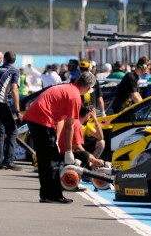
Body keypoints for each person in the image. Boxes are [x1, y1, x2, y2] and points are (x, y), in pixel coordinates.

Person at [22, 72, 96, 204]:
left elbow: (60, 120)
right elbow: (69, 127)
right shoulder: (75, 97)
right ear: (88, 88)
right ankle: (54, 195)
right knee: (53, 160)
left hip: (35, 118)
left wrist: (55, 139)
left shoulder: (67, 87)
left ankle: (46, 194)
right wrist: (68, 151)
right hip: (41, 119)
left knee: (45, 159)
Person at [58, 106, 105, 170]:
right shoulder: (76, 124)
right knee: (84, 154)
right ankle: (89, 165)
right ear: (87, 115)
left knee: (101, 142)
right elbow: (77, 147)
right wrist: (94, 160)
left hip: (75, 148)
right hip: (68, 151)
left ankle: (89, 166)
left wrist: (95, 120)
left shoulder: (85, 125)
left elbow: (101, 137)